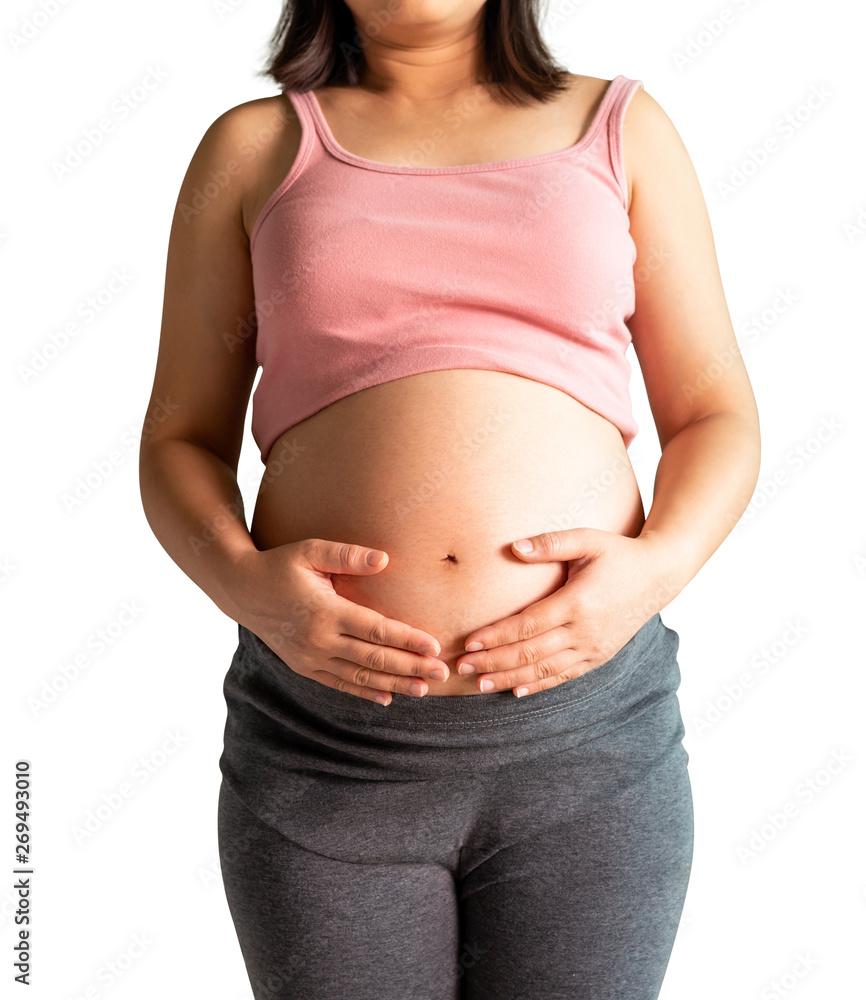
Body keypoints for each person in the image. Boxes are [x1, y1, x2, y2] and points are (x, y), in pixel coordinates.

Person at [138, 0, 760, 996]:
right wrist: (247, 588)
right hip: (325, 753)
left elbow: (714, 413)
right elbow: (177, 437)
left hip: (589, 755)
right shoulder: (253, 147)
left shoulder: (620, 127)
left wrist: (652, 571)